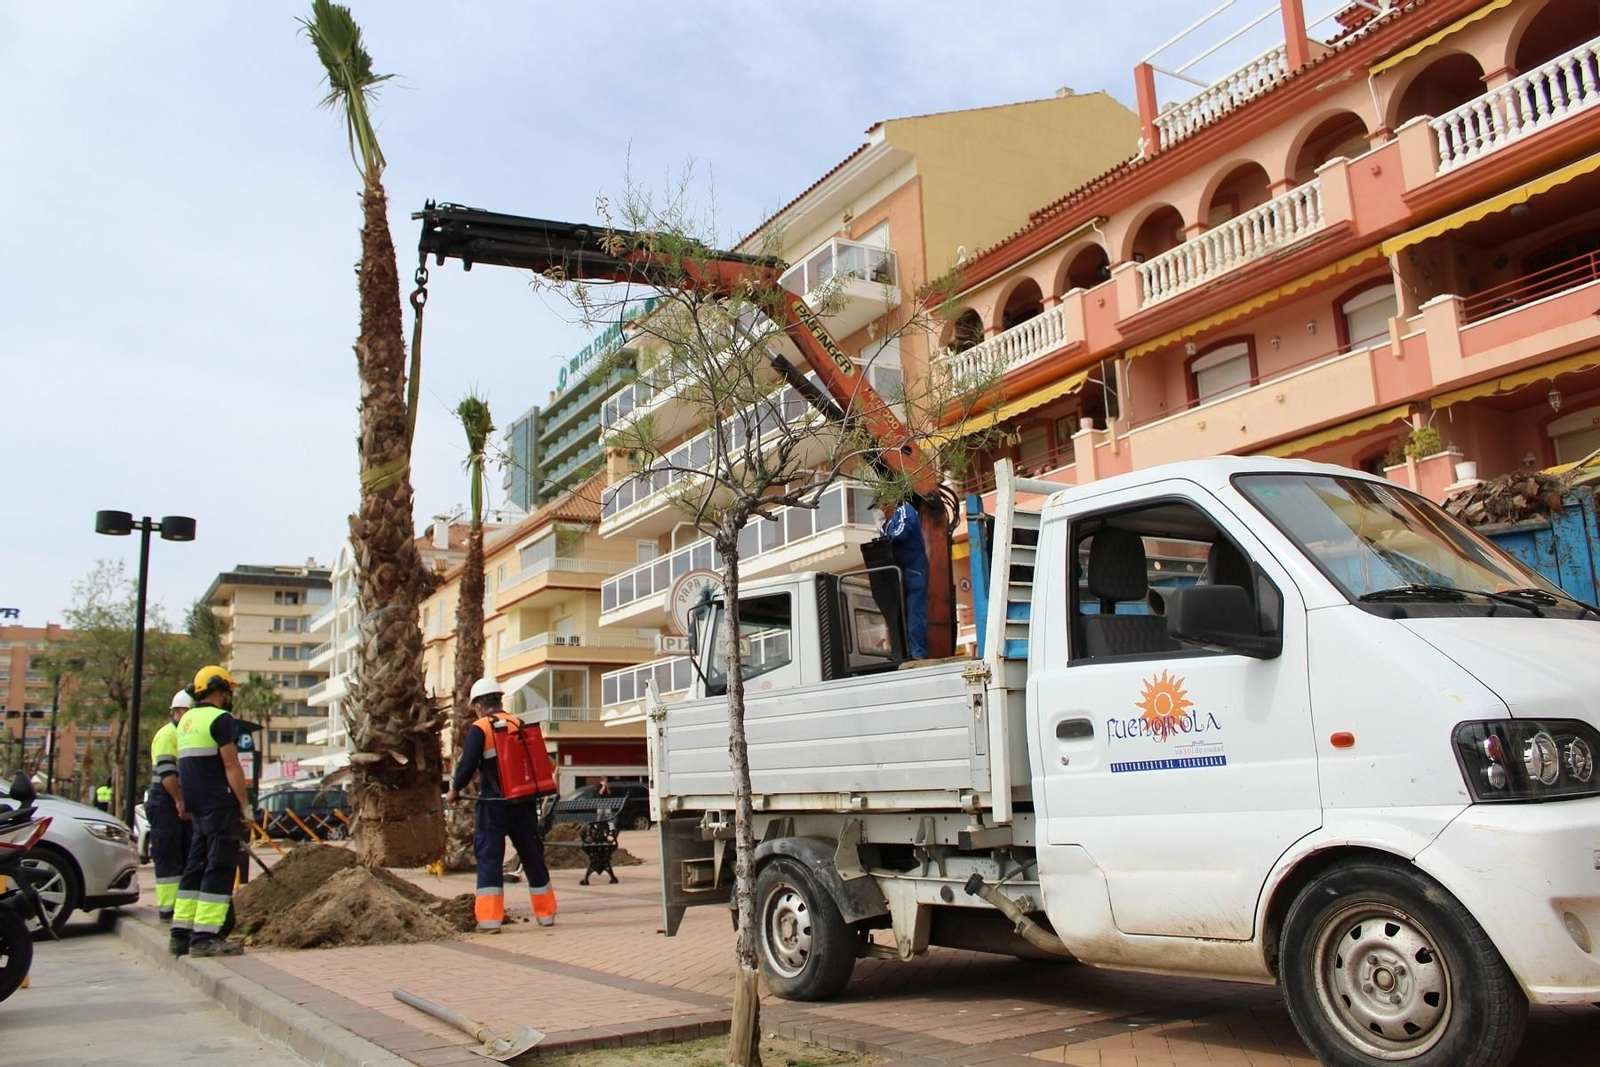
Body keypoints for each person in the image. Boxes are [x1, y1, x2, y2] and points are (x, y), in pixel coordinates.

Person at [445, 677, 557, 933]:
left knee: (489, 859)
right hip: (523, 802)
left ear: (479, 706)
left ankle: (490, 920)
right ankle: (546, 914)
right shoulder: (518, 723)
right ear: (499, 700)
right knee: (532, 856)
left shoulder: (481, 728)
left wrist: (454, 791)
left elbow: (466, 766)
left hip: (493, 805)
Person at [170, 665, 252, 959]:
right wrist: (245, 806)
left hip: (197, 804)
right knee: (219, 867)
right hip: (219, 803)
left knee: (195, 866)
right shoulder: (221, 719)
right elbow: (231, 765)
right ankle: (205, 937)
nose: (230, 695)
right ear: (220, 689)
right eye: (228, 689)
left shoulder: (186, 720)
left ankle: (180, 934)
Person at [147, 689, 194, 923]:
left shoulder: (185, 734)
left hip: (176, 800)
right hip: (165, 801)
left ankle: (180, 906)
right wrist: (179, 800)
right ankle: (168, 907)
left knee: (183, 853)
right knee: (168, 854)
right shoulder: (168, 735)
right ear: (177, 712)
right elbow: (167, 774)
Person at [877, 492, 930, 659]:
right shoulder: (887, 524)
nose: (880, 509)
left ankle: (918, 653)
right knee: (900, 614)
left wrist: (886, 537)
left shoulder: (905, 511)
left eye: (881, 505)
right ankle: (903, 651)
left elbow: (900, 534)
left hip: (914, 571)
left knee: (915, 614)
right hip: (898, 574)